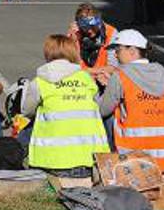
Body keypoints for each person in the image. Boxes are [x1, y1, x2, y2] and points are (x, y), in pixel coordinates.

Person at [93, 29, 164, 171]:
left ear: (132, 51)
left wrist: (101, 90)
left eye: (118, 50)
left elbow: (102, 110)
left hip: (136, 161)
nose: (115, 55)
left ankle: (107, 161)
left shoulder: (120, 75)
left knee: (110, 115)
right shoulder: (163, 72)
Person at [21, 34, 109, 176]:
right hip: (90, 158)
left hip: (53, 160)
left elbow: (26, 111)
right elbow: (97, 107)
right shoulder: (86, 79)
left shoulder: (40, 81)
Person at [69, 4, 117, 71]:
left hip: (103, 77)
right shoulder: (75, 32)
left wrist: (89, 71)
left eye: (92, 26)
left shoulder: (111, 32)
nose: (89, 30)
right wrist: (73, 41)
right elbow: (68, 64)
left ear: (99, 23)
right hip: (81, 77)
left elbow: (113, 67)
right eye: (85, 27)